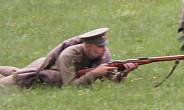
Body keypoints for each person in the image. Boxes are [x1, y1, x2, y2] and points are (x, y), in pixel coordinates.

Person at [0, 28, 137, 88]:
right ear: (88, 46)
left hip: (48, 70)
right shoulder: (68, 55)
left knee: (18, 70)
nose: (104, 49)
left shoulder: (103, 53)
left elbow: (109, 78)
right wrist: (94, 73)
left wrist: (124, 73)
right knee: (11, 81)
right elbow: (70, 86)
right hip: (43, 71)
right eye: (99, 47)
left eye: (103, 46)